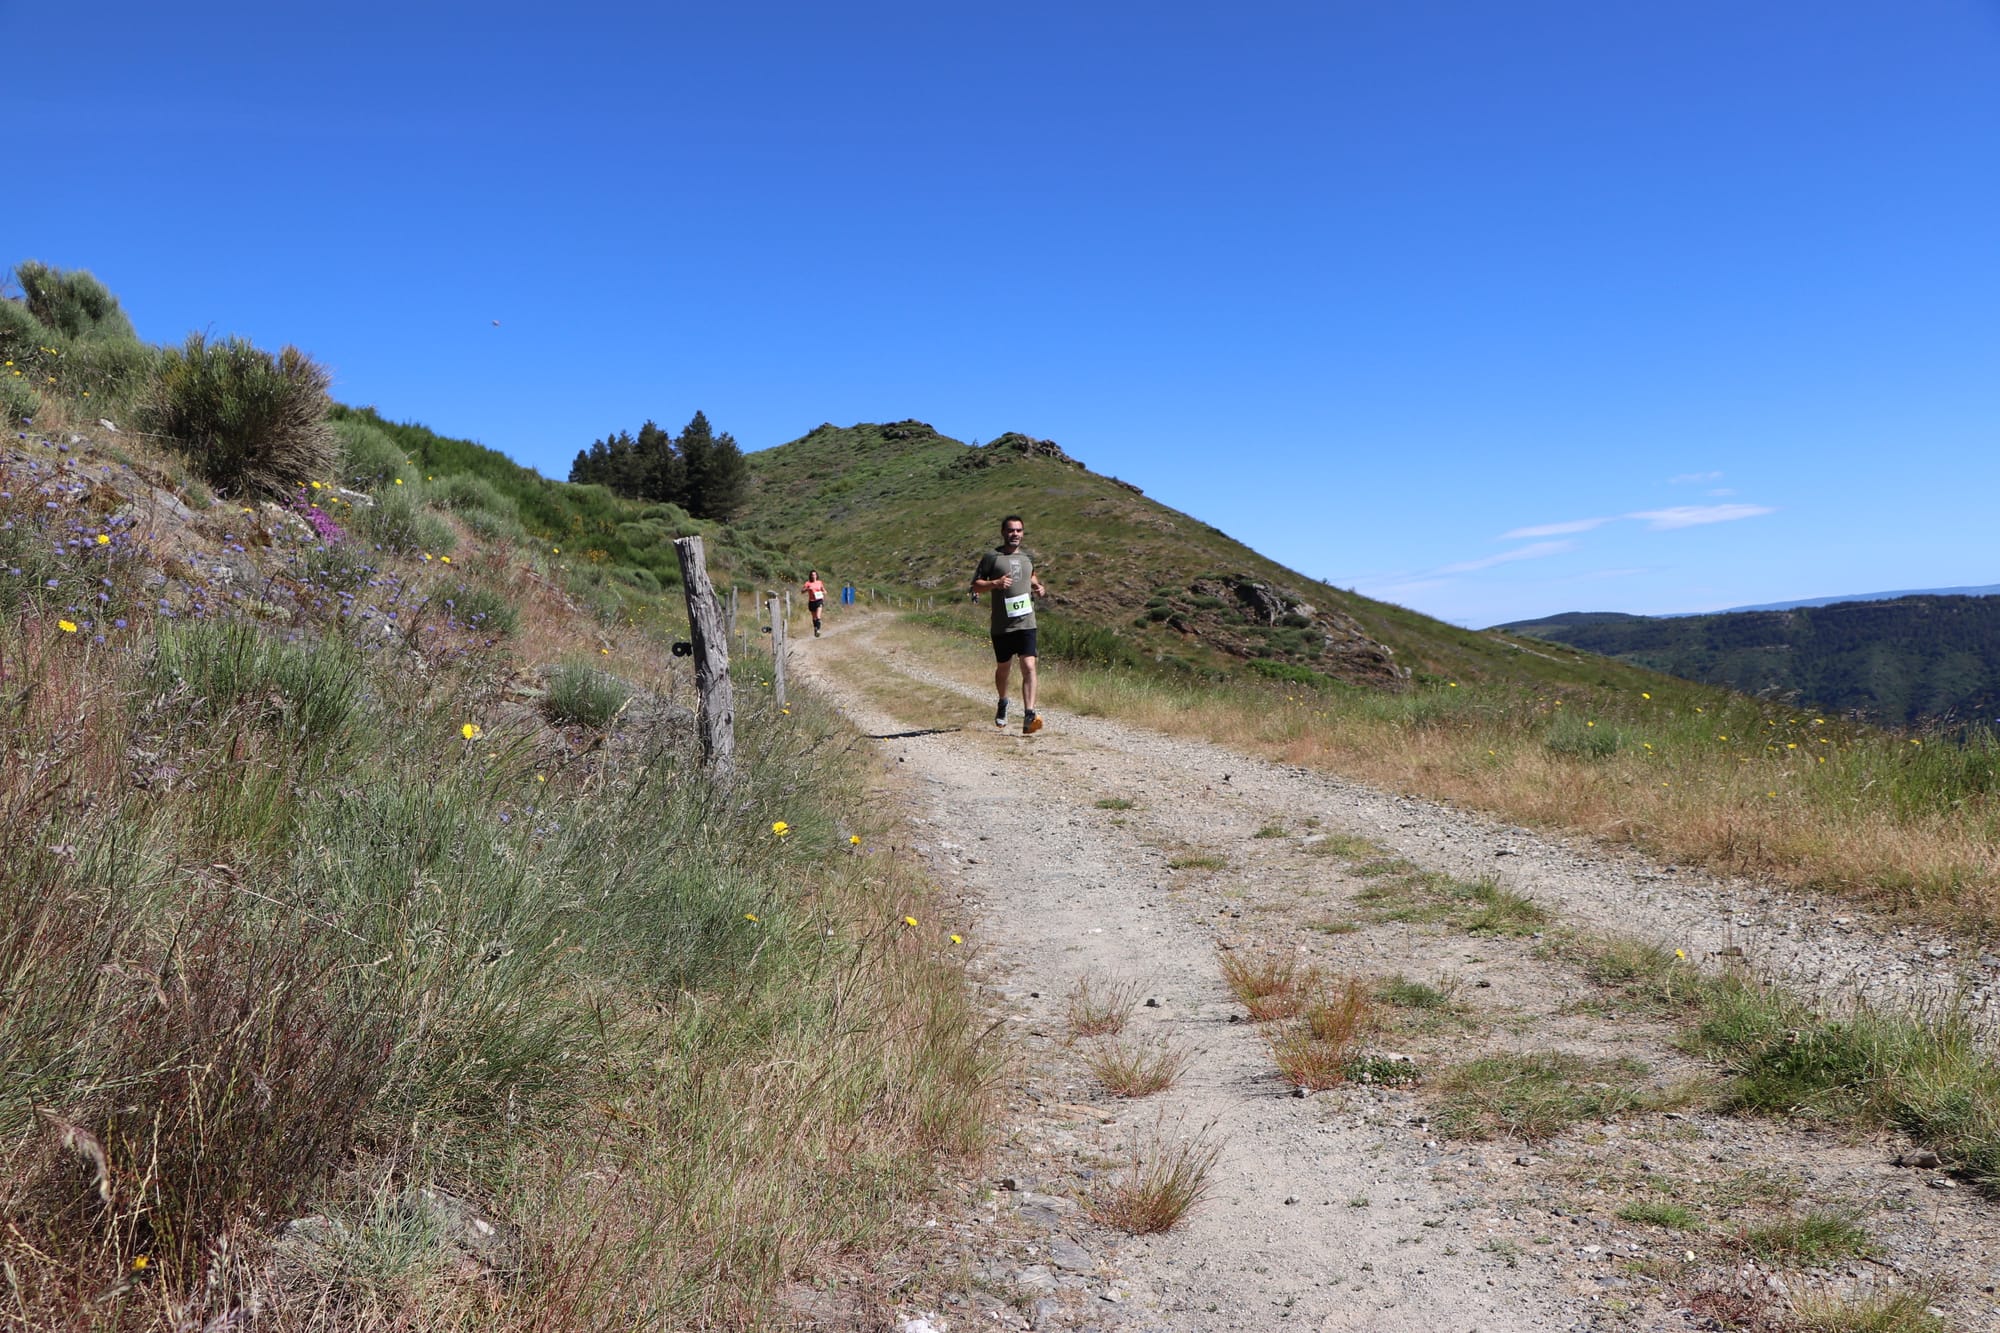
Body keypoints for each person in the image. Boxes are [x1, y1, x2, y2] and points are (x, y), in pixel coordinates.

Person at [969, 515, 1047, 733]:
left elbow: (1031, 577)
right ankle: (1003, 702)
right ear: (1003, 532)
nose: (1015, 534)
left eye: (1019, 531)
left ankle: (1029, 715)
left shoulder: (1028, 557)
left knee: (1029, 666)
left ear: (1023, 533)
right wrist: (995, 583)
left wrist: (1039, 588)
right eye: (1011, 530)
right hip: (1002, 625)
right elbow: (975, 586)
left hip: (1026, 622)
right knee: (1004, 668)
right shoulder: (992, 558)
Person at [802, 569, 826, 637]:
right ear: (810, 576)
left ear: (816, 575)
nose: (813, 576)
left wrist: (821, 592)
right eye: (812, 575)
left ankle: (818, 630)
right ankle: (815, 628)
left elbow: (825, 591)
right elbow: (802, 591)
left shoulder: (819, 582)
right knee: (814, 618)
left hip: (819, 600)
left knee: (818, 616)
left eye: (815, 575)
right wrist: (807, 589)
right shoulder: (808, 583)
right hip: (812, 601)